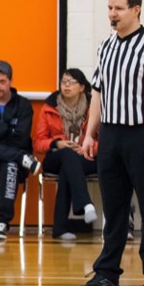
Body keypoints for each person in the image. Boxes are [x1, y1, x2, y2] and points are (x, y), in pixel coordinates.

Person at [79, 0, 144, 286]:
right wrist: (90, 132)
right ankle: (107, 274)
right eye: (109, 7)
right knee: (115, 208)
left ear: (135, 9)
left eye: (118, 8)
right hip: (111, 133)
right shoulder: (106, 47)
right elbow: (97, 92)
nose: (112, 14)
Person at [0, 60, 40, 242]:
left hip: (9, 159)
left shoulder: (23, 105)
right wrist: (4, 130)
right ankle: (22, 158)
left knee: (10, 165)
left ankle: (1, 223)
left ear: (10, 82)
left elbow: (20, 139)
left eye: (2, 82)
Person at [35, 69, 99, 240]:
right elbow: (38, 143)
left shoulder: (94, 108)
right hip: (55, 156)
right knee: (67, 155)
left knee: (69, 166)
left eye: (71, 82)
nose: (66, 85)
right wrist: (57, 143)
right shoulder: (49, 107)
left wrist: (87, 146)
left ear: (82, 87)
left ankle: (60, 228)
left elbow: (106, 142)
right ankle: (84, 204)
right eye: (64, 82)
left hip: (85, 156)